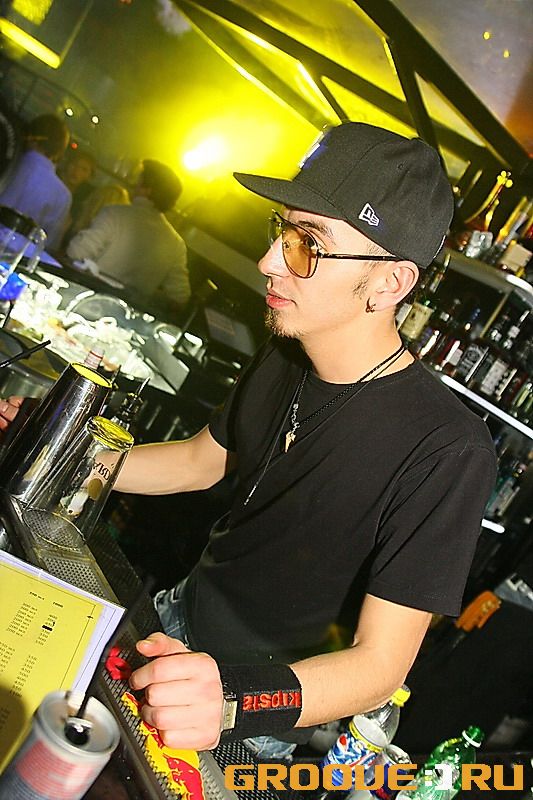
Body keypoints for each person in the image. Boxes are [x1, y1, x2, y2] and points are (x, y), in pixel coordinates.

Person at [1, 123, 497, 758]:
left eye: (308, 245)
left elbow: (380, 666)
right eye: (281, 231)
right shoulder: (286, 351)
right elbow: (197, 461)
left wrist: (232, 698)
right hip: (169, 623)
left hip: (249, 715)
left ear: (390, 283)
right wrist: (62, 452)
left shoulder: (446, 449)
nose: (269, 261)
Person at [66, 159, 190, 309]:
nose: (135, 184)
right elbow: (180, 296)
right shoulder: (176, 244)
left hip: (86, 303)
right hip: (127, 317)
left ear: (148, 189)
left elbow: (76, 252)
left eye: (139, 180)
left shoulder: (114, 213)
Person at [0, 114, 71, 251]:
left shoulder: (8, 159)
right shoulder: (62, 195)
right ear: (60, 149)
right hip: (15, 257)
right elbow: (47, 244)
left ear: (31, 137)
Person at [57, 148, 96, 243]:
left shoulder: (84, 200)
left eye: (84, 169)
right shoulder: (53, 181)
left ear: (89, 176)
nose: (76, 171)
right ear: (67, 164)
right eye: (74, 164)